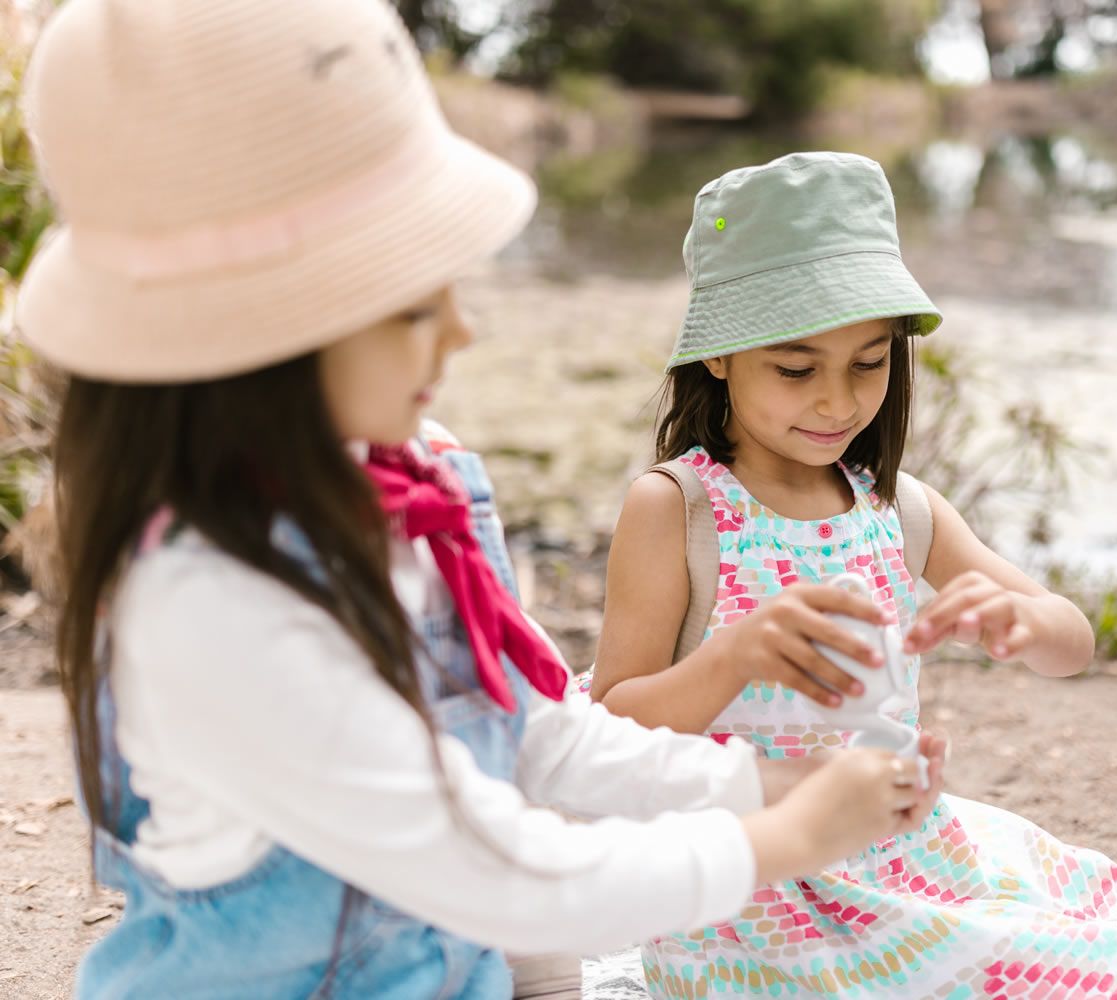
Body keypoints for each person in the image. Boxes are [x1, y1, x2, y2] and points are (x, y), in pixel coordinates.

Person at [17, 2, 939, 995]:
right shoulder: (213, 604)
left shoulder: (420, 485)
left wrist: (763, 782)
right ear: (263, 337)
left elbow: (536, 733)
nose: (461, 332)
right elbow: (490, 865)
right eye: (415, 302)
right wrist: (783, 836)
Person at [587, 152, 1117, 999]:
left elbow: (1074, 643)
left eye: (868, 364)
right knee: (1071, 977)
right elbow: (610, 728)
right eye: (797, 369)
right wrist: (733, 658)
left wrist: (1023, 624)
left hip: (899, 845)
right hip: (754, 882)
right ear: (720, 356)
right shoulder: (677, 510)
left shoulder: (898, 509)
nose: (837, 402)